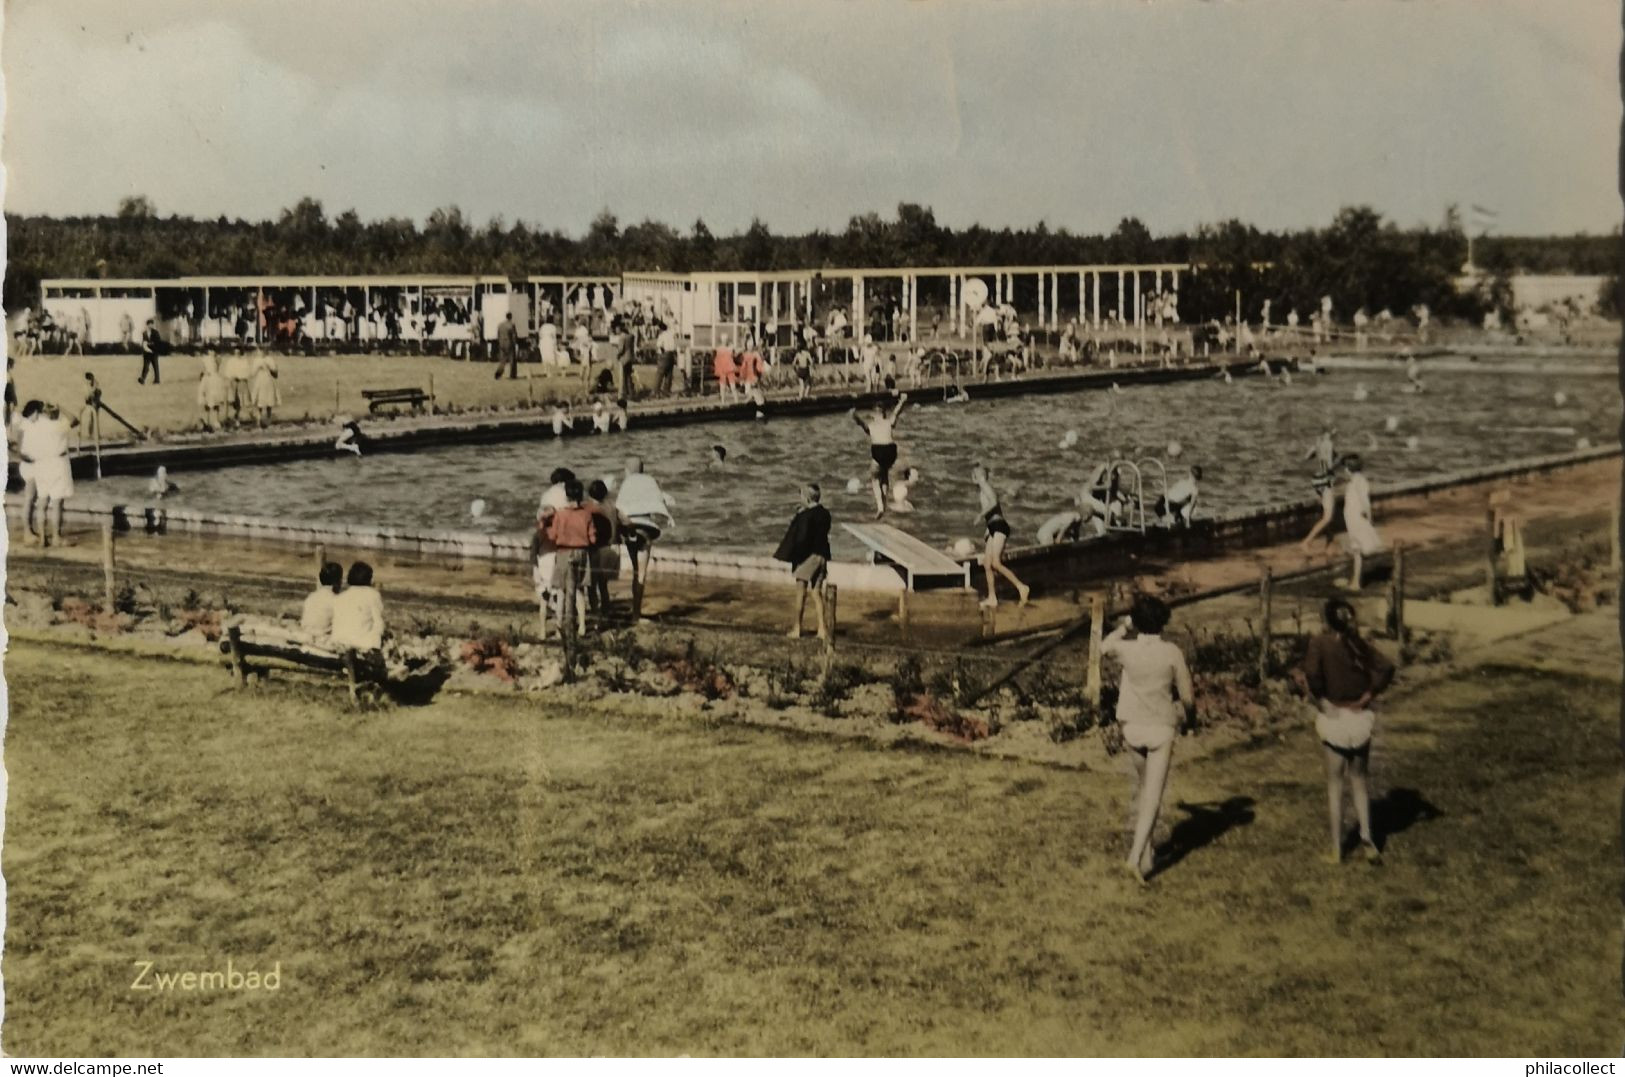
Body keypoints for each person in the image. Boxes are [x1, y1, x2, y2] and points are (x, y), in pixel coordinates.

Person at [1101, 594, 1195, 884]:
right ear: (1163, 622)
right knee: (1153, 796)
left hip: (1133, 727)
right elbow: (1188, 697)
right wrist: (1190, 720)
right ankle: (1135, 858)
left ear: (1137, 622)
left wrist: (1123, 626)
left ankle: (1148, 851)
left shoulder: (1127, 650)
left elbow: (1103, 648)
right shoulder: (1171, 653)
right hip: (1160, 729)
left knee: (1144, 790)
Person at [1299, 598, 1394, 864]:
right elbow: (1386, 668)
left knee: (1335, 785)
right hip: (1360, 715)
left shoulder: (1319, 643)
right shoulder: (1357, 643)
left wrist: (1322, 700)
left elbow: (1312, 674)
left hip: (1336, 717)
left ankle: (1337, 850)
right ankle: (1368, 839)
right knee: (1360, 781)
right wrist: (1368, 694)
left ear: (1327, 620)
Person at [773, 484, 833, 639]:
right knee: (816, 593)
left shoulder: (804, 516)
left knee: (801, 593)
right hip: (823, 556)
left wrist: (795, 558)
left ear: (806, 498)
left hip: (808, 558)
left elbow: (801, 540)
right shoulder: (825, 514)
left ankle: (797, 628)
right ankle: (822, 629)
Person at [616, 457, 676, 608]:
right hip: (646, 529)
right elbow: (667, 500)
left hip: (629, 528)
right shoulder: (649, 481)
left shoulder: (626, 484)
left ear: (627, 470)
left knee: (635, 570)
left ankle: (633, 609)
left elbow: (619, 509)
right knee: (641, 575)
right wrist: (667, 515)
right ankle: (636, 614)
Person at [543, 479, 596, 641]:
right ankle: (581, 625)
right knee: (579, 590)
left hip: (564, 552)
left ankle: (560, 627)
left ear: (566, 495)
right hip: (581, 552)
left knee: (561, 591)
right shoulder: (586, 514)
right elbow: (592, 539)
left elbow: (552, 536)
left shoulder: (560, 514)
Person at [971, 463, 1030, 608]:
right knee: (987, 564)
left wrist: (980, 515)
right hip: (993, 527)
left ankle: (1021, 587)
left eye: (973, 476)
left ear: (977, 477)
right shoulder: (984, 488)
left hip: (999, 527)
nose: (972, 479)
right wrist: (987, 529)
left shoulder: (985, 485)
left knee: (996, 563)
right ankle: (992, 598)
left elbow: (994, 502)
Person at [849, 392, 908, 519]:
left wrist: (854, 415)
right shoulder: (889, 422)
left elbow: (860, 423)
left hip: (879, 450)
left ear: (875, 414)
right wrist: (902, 400)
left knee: (875, 478)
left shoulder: (871, 425)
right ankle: (885, 502)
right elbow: (897, 412)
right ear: (884, 413)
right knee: (884, 474)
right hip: (891, 451)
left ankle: (880, 506)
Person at [1340, 454, 1383, 590]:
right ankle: (1356, 580)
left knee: (1357, 550)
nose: (1344, 471)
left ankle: (1356, 583)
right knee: (1356, 551)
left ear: (1348, 468)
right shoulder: (1355, 481)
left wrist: (1369, 517)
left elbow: (1365, 501)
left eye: (1345, 468)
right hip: (1352, 519)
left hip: (1357, 520)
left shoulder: (1359, 481)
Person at [1299, 428, 1341, 552]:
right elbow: (1329, 466)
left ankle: (1329, 543)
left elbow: (1306, 458)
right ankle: (1306, 542)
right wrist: (1339, 462)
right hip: (1326, 480)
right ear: (1328, 435)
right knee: (1327, 517)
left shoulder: (1317, 445)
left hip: (1317, 481)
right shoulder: (1329, 444)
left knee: (1327, 513)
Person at [331, 561, 386, 654]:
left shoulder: (340, 597)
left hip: (338, 642)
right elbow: (379, 625)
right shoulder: (373, 594)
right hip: (361, 645)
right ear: (368, 578)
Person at [12, 399, 43, 545]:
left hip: (33, 464)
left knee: (32, 498)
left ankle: (29, 530)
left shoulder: (31, 424)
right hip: (29, 465)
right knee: (29, 498)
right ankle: (27, 532)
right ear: (34, 412)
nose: (40, 415)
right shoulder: (24, 425)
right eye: (39, 412)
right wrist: (28, 459)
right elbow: (19, 449)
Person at [301, 561, 344, 640]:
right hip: (322, 640)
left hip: (306, 637)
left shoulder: (311, 597)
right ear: (337, 582)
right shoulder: (335, 600)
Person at [197, 351, 228, 431]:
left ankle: (216, 421)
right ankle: (207, 421)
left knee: (215, 401)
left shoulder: (218, 358)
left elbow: (218, 367)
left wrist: (216, 359)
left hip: (215, 380)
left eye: (213, 350)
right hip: (207, 380)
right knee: (207, 401)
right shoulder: (205, 359)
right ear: (208, 352)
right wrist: (203, 375)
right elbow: (202, 370)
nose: (212, 352)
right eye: (210, 351)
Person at [250, 350, 280, 427]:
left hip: (268, 381)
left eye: (263, 351)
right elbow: (252, 373)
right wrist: (258, 368)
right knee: (260, 400)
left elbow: (275, 374)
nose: (261, 353)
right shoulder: (256, 360)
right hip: (260, 381)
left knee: (269, 401)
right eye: (259, 351)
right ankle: (258, 420)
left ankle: (268, 420)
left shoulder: (270, 359)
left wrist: (269, 368)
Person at [494, 312, 520, 380]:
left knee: (502, 360)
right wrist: (515, 343)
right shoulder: (511, 325)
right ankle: (512, 375)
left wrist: (499, 342)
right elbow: (514, 336)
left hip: (501, 343)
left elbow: (498, 334)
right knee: (512, 360)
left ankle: (498, 373)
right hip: (509, 343)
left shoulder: (500, 325)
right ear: (511, 317)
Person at [138, 319, 164, 385]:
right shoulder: (144, 333)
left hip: (154, 352)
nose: (151, 325)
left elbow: (158, 342)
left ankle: (157, 380)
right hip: (146, 353)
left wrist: (150, 344)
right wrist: (145, 346)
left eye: (152, 324)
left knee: (155, 366)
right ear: (147, 325)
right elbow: (144, 341)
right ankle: (142, 379)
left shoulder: (156, 332)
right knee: (145, 366)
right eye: (149, 324)